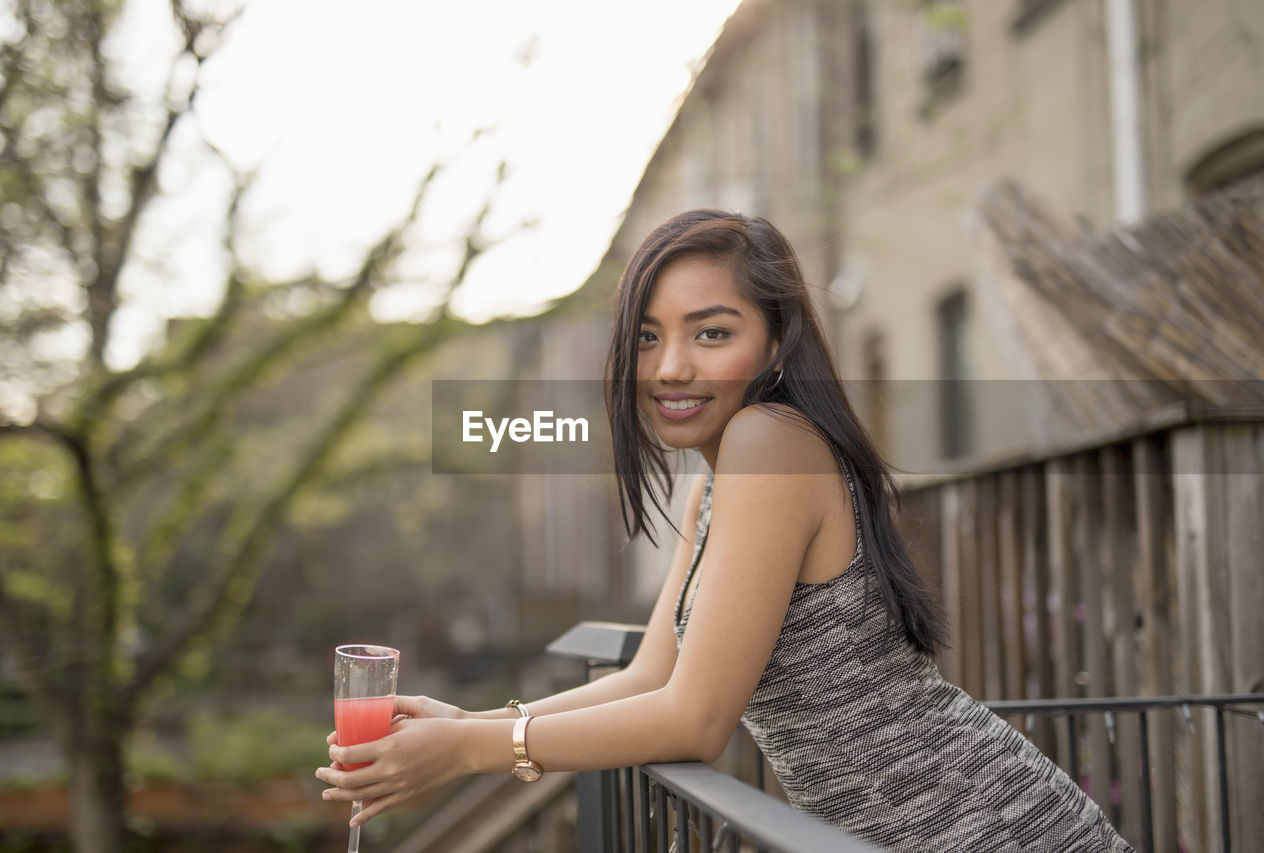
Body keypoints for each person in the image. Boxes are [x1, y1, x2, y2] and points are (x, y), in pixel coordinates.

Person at [316, 210, 1133, 852]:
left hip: (982, 828)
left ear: (775, 342)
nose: (671, 366)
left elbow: (696, 717)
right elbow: (651, 676)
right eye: (648, 336)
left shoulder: (767, 441)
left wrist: (469, 754)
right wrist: (471, 723)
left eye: (712, 332)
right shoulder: (718, 482)